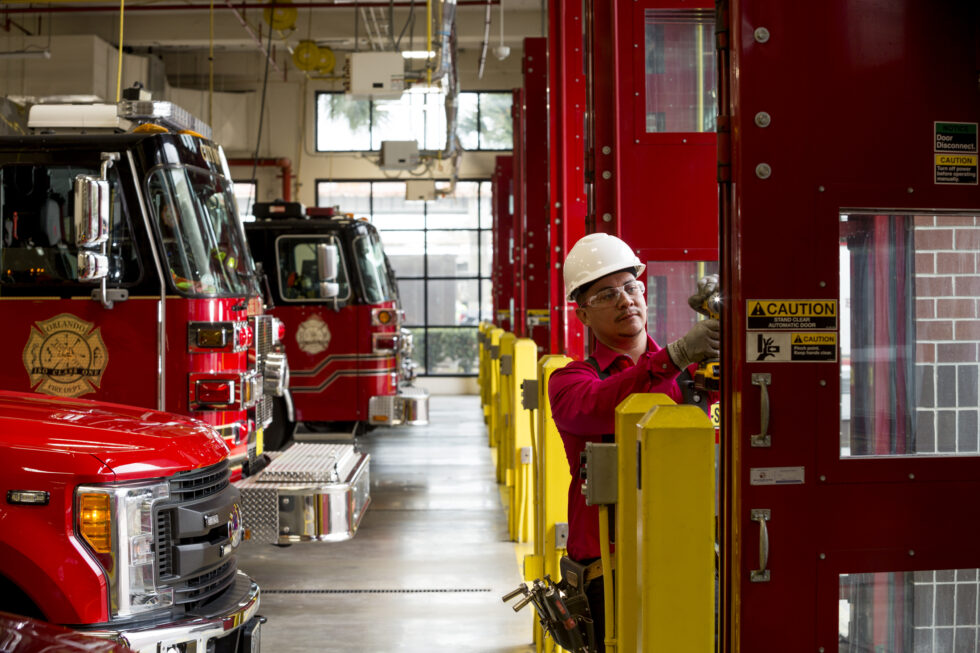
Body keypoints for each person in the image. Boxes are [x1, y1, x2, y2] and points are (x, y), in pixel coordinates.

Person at [547, 232, 720, 652]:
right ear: (583, 315)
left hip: (689, 554)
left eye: (630, 287)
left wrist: (732, 322)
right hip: (609, 571)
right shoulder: (570, 380)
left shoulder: (696, 371)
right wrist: (674, 357)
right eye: (606, 294)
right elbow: (597, 406)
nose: (625, 301)